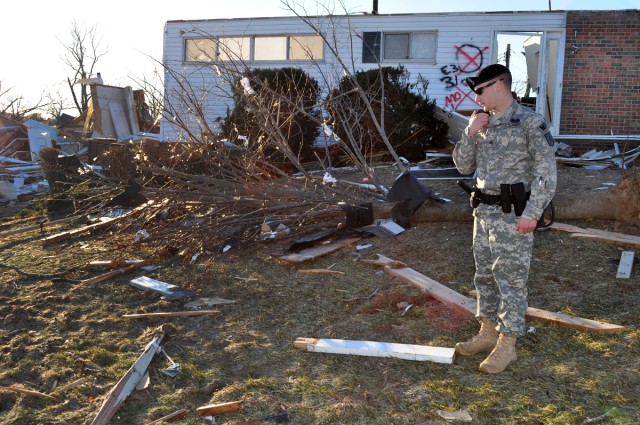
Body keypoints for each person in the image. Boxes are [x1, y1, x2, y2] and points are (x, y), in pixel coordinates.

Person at [452, 64, 557, 374]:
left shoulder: (529, 122)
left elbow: (546, 174)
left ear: (499, 85)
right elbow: (461, 166)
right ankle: (487, 331)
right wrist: (470, 133)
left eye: (480, 90)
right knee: (483, 275)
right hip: (482, 212)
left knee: (510, 279)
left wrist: (532, 213)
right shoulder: (480, 123)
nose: (477, 97)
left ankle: (507, 343)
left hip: (513, 215)